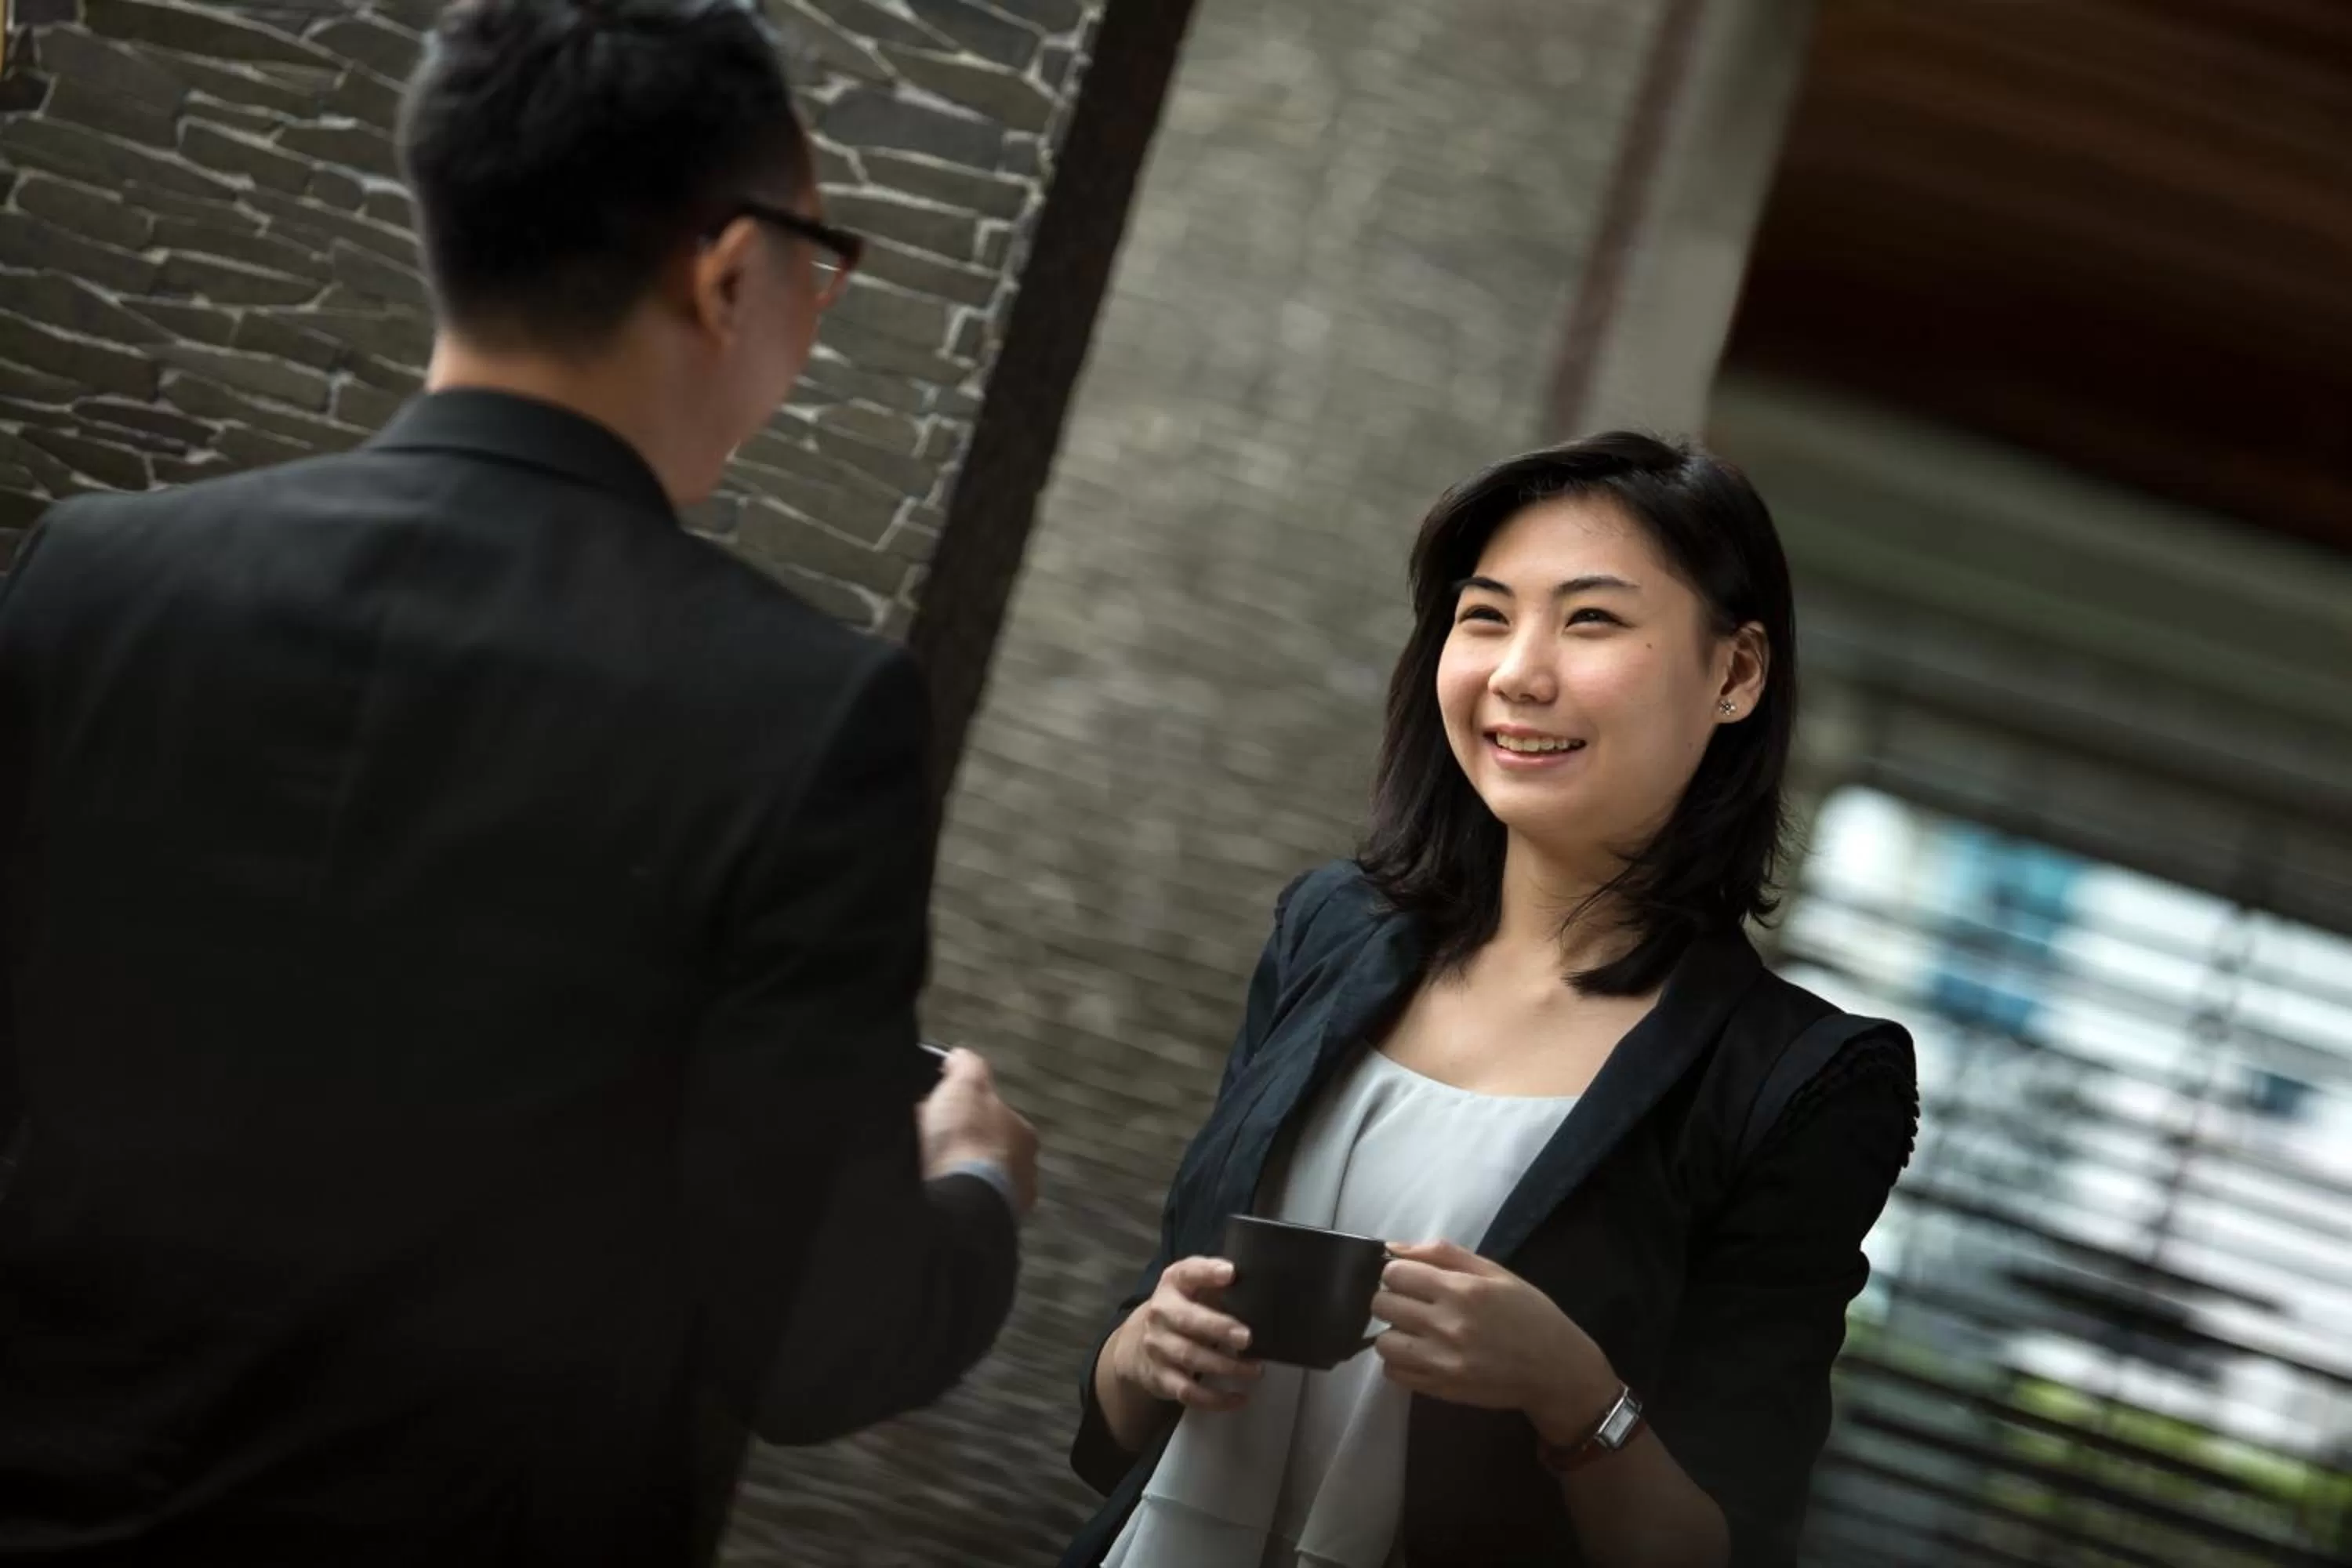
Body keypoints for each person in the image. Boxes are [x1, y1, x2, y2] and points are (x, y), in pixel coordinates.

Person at [0, 2, 1036, 1563]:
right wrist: (975, 1189)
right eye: (820, 264)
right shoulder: (807, 714)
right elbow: (818, 1341)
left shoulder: (93, 571)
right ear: (728, 270)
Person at [1060, 434, 1918, 1568]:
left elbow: (1725, 1548)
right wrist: (1140, 1355)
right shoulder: (1332, 932)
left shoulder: (1798, 1083)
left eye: (1591, 620)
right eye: (1485, 616)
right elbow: (1124, 1417)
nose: (1519, 671)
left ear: (1735, 674)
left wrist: (1575, 1396)